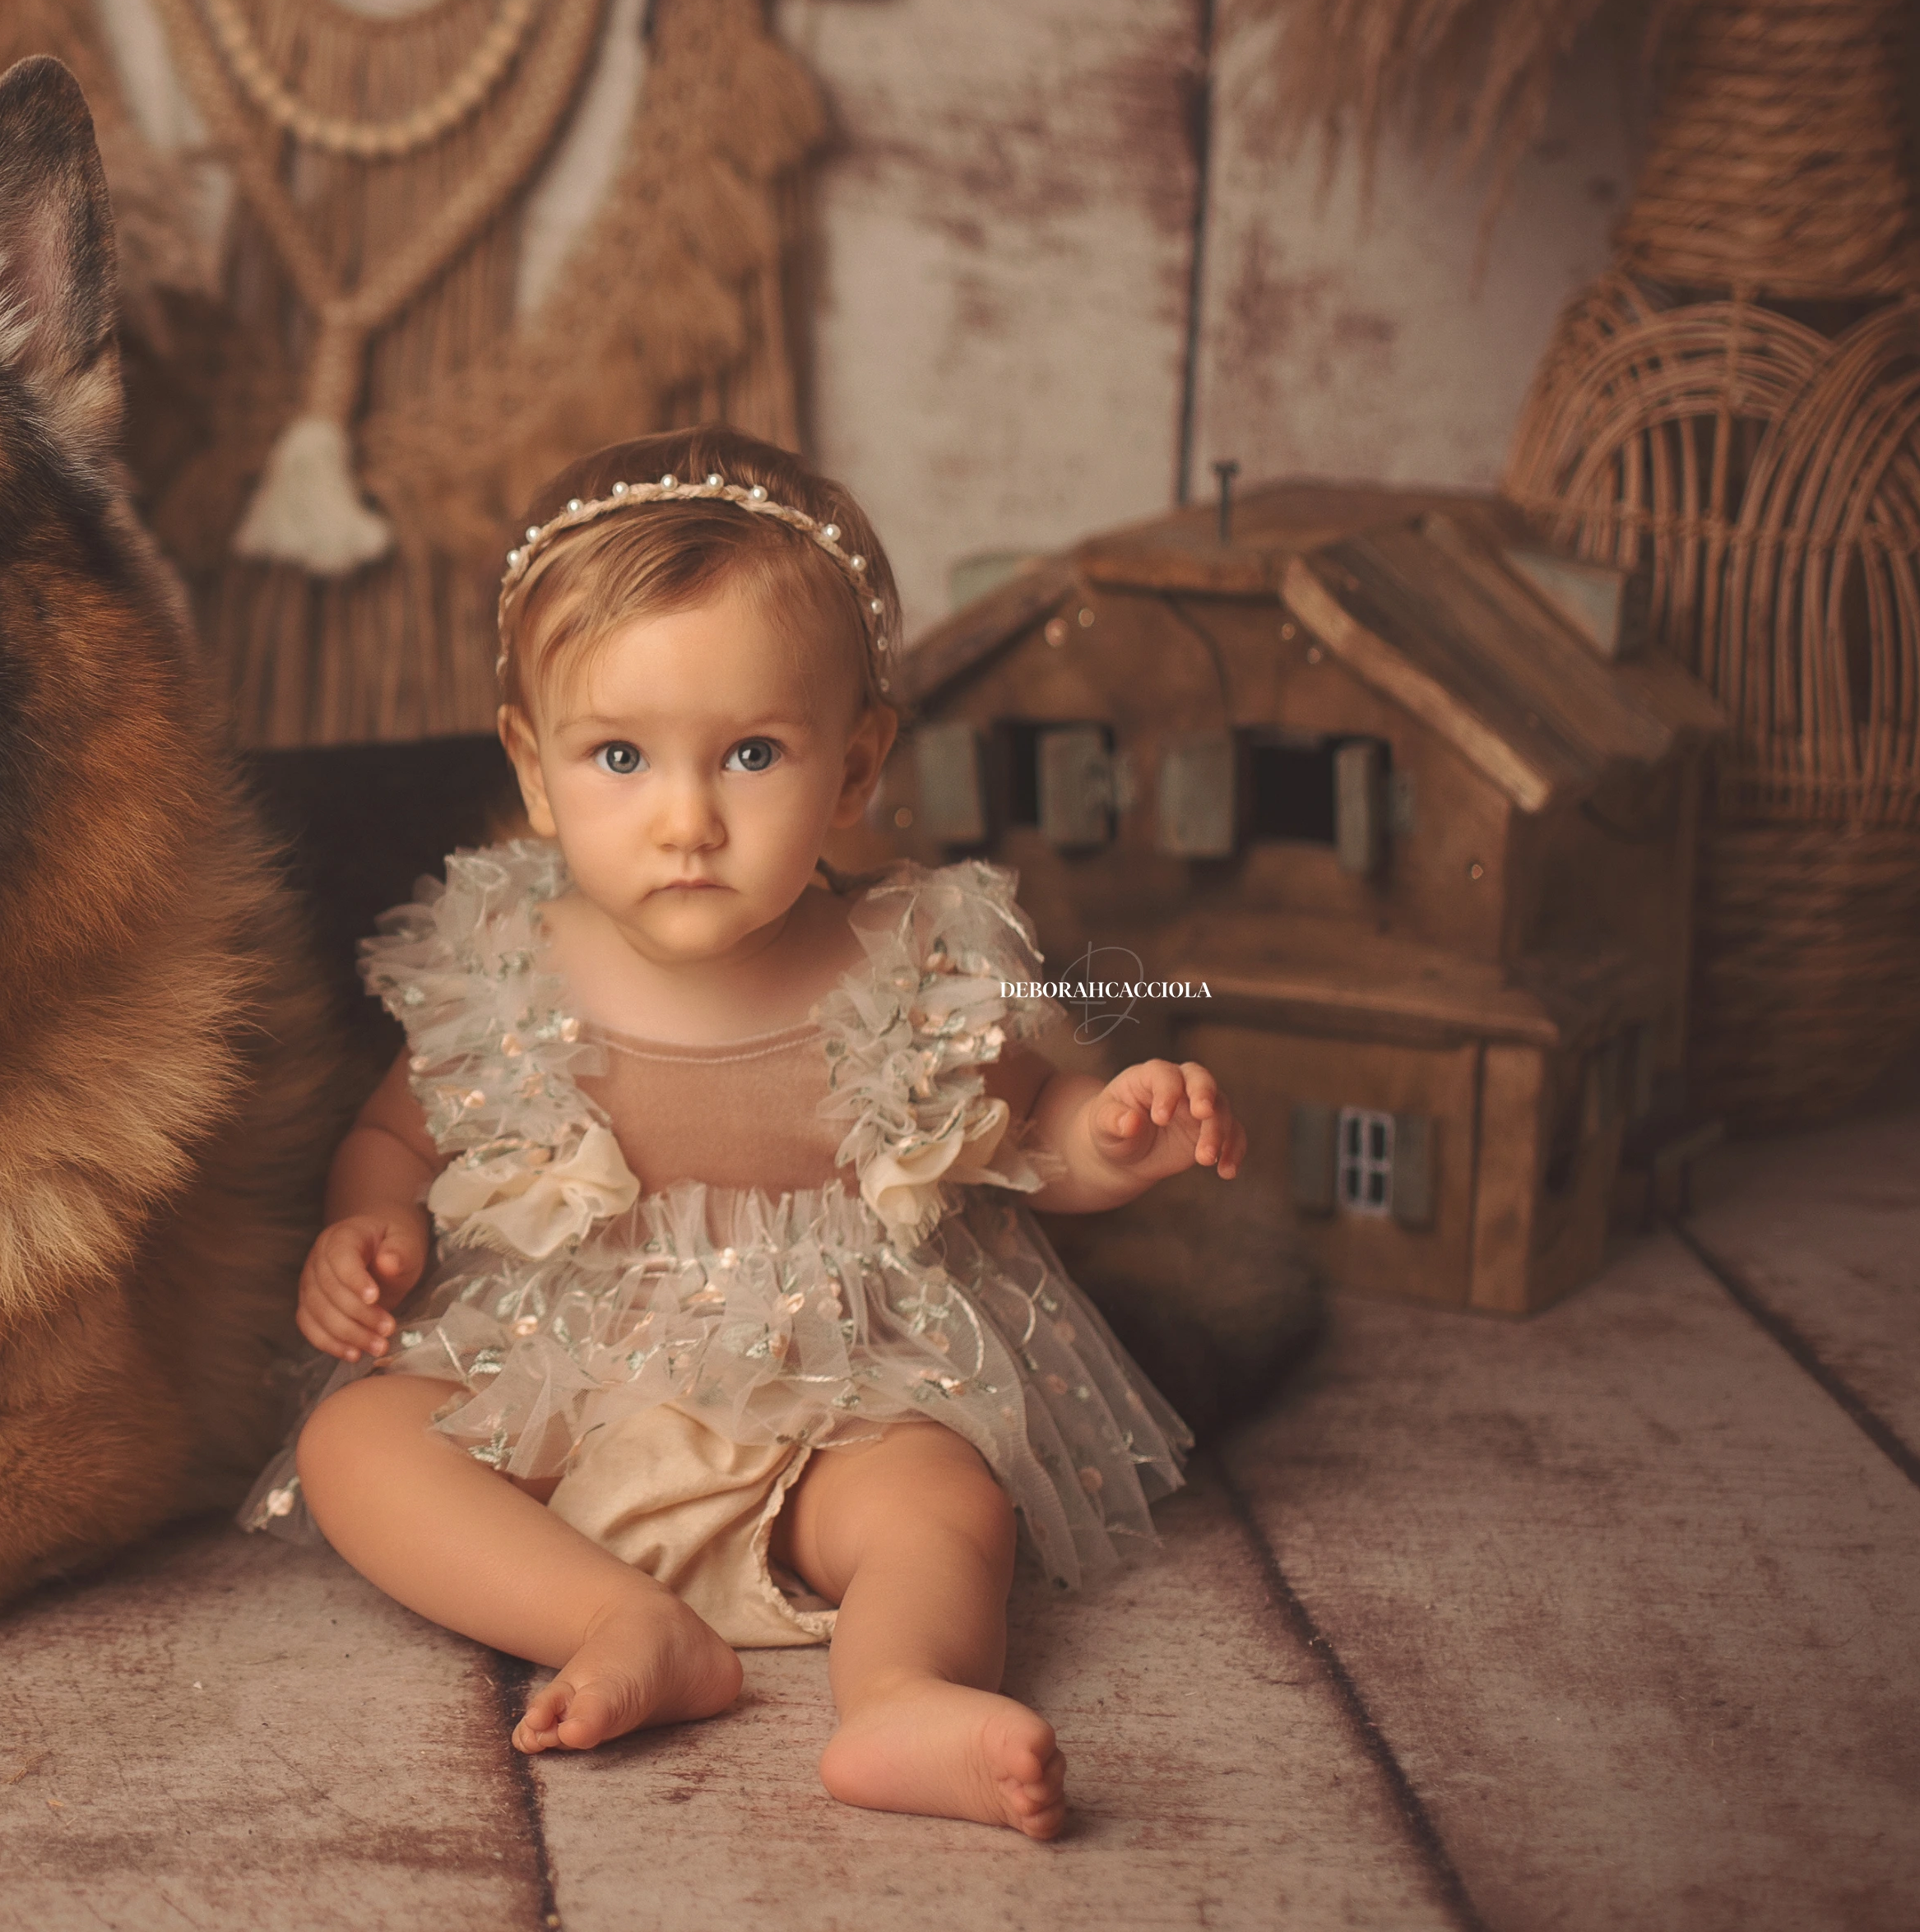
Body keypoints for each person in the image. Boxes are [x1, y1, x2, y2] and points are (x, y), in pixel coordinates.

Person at [239, 426, 1246, 1837]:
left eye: (754, 753)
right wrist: (373, 1223)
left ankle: (900, 1693)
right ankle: (615, 1620)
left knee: (945, 1505)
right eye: (620, 756)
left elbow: (1028, 1138)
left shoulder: (909, 971)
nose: (688, 820)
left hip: (838, 1401)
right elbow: (399, 1137)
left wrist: (1116, 1140)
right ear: (535, 772)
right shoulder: (510, 970)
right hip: (564, 1383)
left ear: (852, 771)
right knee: (361, 1450)